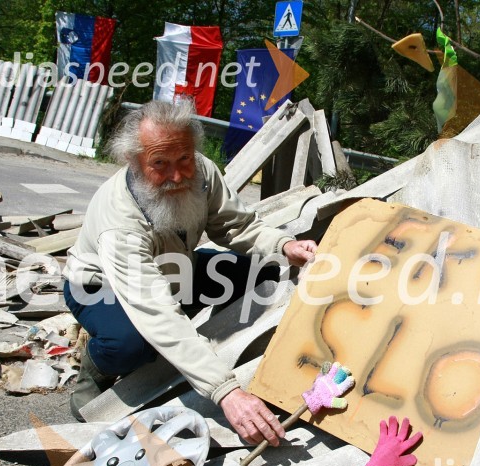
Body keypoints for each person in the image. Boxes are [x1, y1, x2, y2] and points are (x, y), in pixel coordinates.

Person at [62, 100, 317, 446]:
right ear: (134, 162)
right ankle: (96, 365)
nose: (178, 175)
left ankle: (237, 353)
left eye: (184, 158)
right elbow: (158, 314)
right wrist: (225, 391)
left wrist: (284, 245)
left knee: (265, 275)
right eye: (160, 164)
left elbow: (235, 226)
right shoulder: (119, 224)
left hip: (178, 268)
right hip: (99, 285)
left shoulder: (202, 172)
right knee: (134, 343)